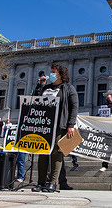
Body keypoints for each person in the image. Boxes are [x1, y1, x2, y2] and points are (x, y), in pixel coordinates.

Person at [31, 64, 78, 192]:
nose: (50, 74)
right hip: (44, 125)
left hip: (59, 125)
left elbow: (74, 107)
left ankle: (52, 182)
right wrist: (38, 86)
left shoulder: (68, 88)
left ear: (60, 75)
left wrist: (70, 125)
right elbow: (35, 101)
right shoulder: (46, 88)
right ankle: (41, 182)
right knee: (43, 153)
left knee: (56, 152)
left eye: (53, 72)